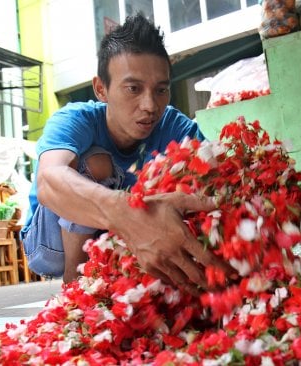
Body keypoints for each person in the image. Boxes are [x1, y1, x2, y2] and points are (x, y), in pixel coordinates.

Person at [21, 14, 232, 293]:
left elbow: (219, 175)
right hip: (50, 246)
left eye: (161, 90)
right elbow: (49, 181)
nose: (149, 105)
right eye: (133, 88)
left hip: (114, 235)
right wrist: (130, 215)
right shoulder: (76, 119)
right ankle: (75, 290)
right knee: (95, 161)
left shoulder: (174, 126)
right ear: (101, 89)